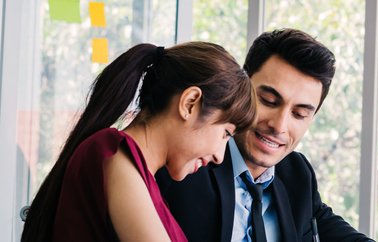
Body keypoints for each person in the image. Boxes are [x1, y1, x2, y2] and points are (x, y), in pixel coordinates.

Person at [21, 42, 257, 242]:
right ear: (190, 104)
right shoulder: (114, 153)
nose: (220, 156)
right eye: (226, 133)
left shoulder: (139, 177)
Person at [156, 28, 373, 242]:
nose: (279, 126)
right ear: (242, 86)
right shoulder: (188, 159)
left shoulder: (297, 175)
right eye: (269, 101)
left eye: (299, 114)